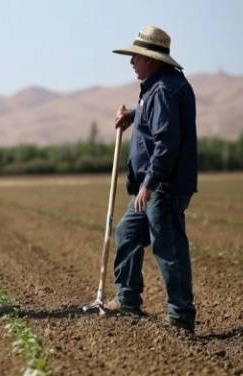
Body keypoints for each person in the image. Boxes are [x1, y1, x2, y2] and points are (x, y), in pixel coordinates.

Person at [105, 26, 198, 333]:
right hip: (153, 186)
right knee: (128, 234)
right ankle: (128, 299)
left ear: (153, 60)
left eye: (137, 57)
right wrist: (134, 115)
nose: (132, 62)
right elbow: (157, 119)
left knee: (168, 248)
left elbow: (166, 142)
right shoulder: (158, 87)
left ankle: (180, 315)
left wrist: (149, 182)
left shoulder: (164, 90)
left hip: (162, 187)